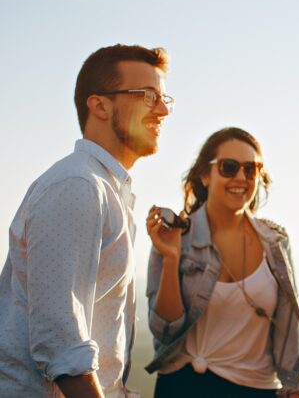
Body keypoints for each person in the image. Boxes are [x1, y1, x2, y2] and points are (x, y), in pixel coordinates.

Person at [0, 44, 172, 397]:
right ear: (99, 105)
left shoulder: (106, 190)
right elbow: (63, 345)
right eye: (148, 95)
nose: (163, 109)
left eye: (165, 98)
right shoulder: (77, 186)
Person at [145, 127, 299, 397]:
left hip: (256, 390)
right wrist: (170, 257)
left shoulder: (276, 242)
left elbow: (289, 329)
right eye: (229, 167)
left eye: (251, 169)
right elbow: (165, 331)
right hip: (182, 387)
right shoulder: (175, 236)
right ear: (204, 174)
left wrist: (296, 390)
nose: (241, 177)